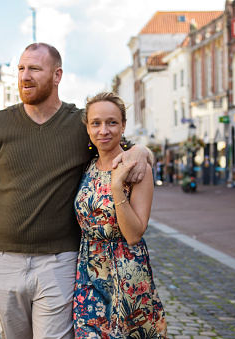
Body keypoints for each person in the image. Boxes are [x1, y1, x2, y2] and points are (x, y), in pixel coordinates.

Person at [0, 43, 153, 339]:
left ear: (57, 75)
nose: (24, 76)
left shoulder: (80, 125)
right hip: (2, 257)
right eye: (21, 68)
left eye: (34, 68)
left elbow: (117, 145)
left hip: (59, 260)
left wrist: (142, 149)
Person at [73, 92, 167, 338]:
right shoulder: (87, 167)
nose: (103, 130)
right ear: (88, 128)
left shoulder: (138, 169)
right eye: (96, 123)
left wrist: (117, 187)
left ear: (123, 126)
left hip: (127, 272)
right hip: (89, 273)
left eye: (112, 122)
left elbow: (134, 234)